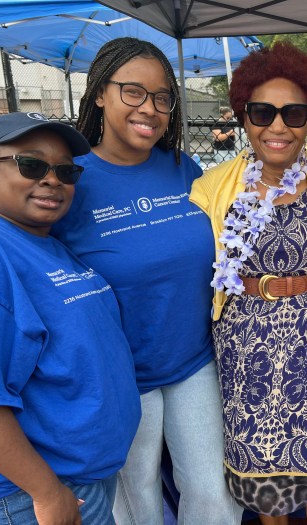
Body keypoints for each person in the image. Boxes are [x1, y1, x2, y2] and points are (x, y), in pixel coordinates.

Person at [51, 38, 243, 525]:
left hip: (192, 360)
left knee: (213, 493)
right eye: (133, 92)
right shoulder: (71, 182)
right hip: (119, 376)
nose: (150, 109)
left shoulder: (183, 168)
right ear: (99, 94)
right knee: (135, 500)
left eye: (162, 98)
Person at [190, 42, 307, 525]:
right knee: (270, 501)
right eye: (262, 112)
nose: (277, 126)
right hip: (250, 358)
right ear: (243, 117)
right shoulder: (211, 191)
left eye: (293, 112)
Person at [0, 112, 141, 525]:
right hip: (21, 496)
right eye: (31, 165)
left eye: (66, 171)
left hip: (76, 481)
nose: (52, 180)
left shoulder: (44, 243)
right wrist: (47, 493)